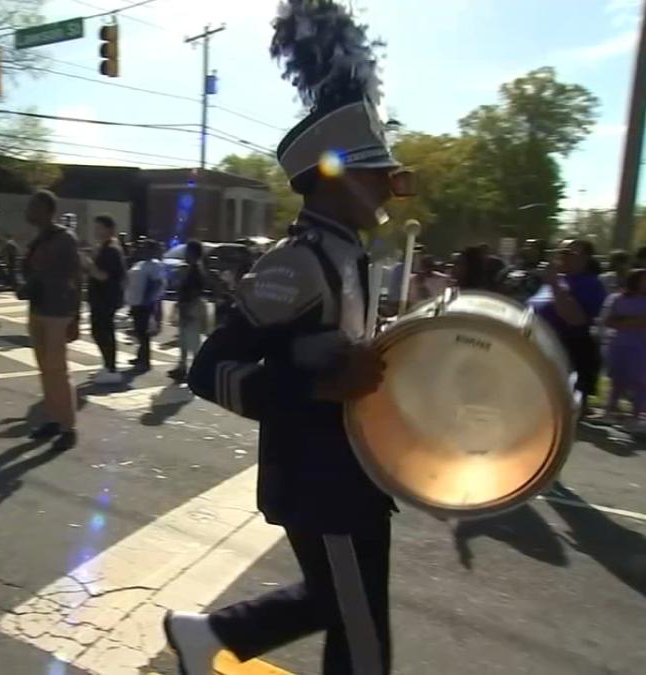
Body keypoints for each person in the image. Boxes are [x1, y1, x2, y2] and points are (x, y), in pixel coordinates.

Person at [165, 3, 412, 672]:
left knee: (341, 609)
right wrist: (318, 384)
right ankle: (208, 633)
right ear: (331, 176)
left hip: (355, 473)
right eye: (371, 172)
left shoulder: (352, 256)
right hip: (318, 479)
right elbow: (210, 367)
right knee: (362, 645)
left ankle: (207, 635)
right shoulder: (295, 262)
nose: (387, 185)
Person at [21, 189, 81, 451]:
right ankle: (54, 419)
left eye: (33, 205)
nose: (28, 210)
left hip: (57, 312)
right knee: (46, 370)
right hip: (38, 308)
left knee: (57, 370)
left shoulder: (65, 239)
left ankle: (68, 427)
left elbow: (77, 279)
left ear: (46, 210)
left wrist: (76, 317)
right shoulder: (39, 239)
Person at [528, 239, 607, 415]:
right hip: (538, 342)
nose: (562, 257)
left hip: (567, 347)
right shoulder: (554, 279)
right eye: (560, 252)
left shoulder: (590, 284)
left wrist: (555, 285)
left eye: (569, 254)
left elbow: (576, 319)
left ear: (585, 258)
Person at [599, 268, 646, 426]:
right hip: (617, 343)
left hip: (639, 345)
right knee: (617, 380)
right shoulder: (616, 298)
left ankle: (637, 415)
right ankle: (609, 411)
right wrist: (633, 321)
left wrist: (623, 321)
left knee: (638, 379)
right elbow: (608, 320)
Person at [84, 215, 127, 385]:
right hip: (99, 298)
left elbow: (103, 276)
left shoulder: (111, 250)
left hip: (106, 298)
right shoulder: (103, 248)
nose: (95, 231)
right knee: (100, 331)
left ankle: (111, 368)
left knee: (103, 332)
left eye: (99, 227)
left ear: (109, 230)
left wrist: (87, 263)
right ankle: (107, 365)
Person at [124, 238, 165, 373]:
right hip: (136, 303)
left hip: (146, 304)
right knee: (139, 331)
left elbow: (156, 284)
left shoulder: (155, 265)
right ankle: (140, 356)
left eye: (146, 247)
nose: (143, 250)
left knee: (144, 333)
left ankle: (145, 361)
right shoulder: (140, 264)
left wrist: (148, 300)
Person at [170, 239, 207, 382]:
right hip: (188, 306)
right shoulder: (191, 268)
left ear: (194, 253)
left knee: (192, 340)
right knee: (184, 341)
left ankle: (197, 370)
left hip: (191, 307)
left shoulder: (195, 270)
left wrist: (186, 308)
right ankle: (182, 368)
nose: (185, 254)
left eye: (188, 251)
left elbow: (194, 291)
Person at [498, 239, 546, 303]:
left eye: (533, 247)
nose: (528, 249)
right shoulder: (509, 270)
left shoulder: (544, 271)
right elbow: (498, 286)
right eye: (527, 246)